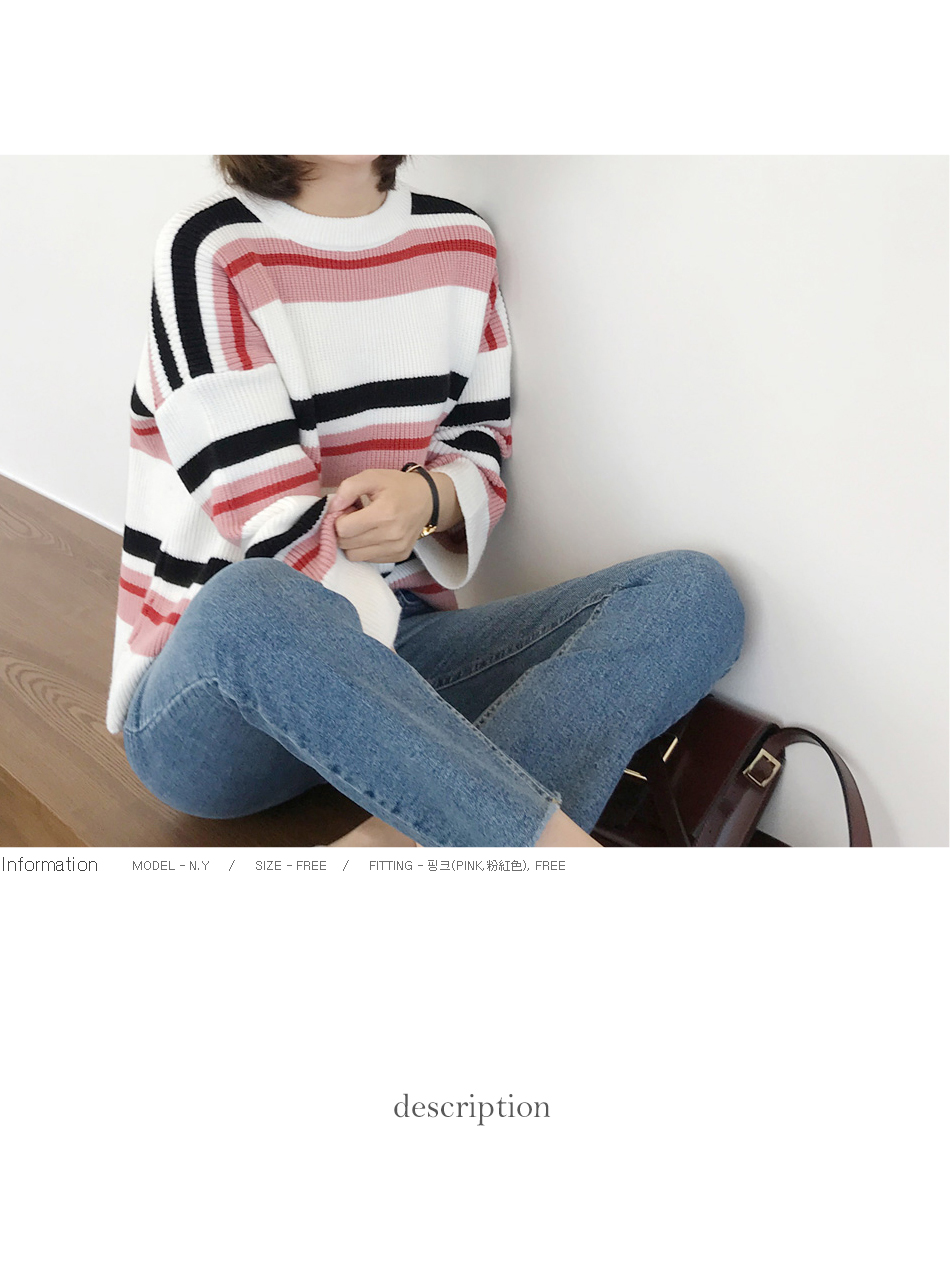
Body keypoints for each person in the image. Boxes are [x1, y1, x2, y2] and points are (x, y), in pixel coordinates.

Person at [106, 154, 746, 847]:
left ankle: (400, 843)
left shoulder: (460, 240)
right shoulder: (210, 246)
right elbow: (265, 513)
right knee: (254, 599)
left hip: (404, 658)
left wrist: (429, 496)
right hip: (225, 690)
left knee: (692, 595)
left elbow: (479, 443)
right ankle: (552, 856)